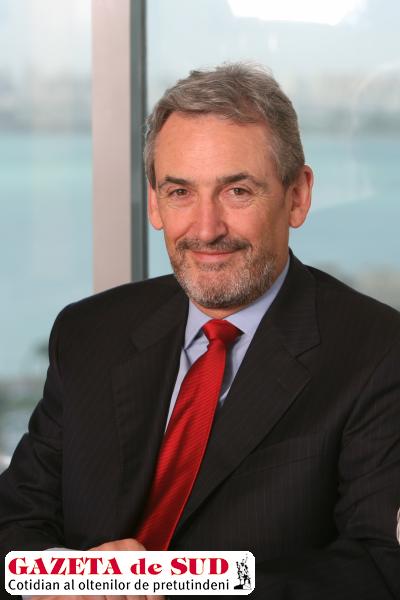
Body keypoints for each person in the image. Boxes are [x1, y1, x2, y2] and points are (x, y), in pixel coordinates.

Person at [1, 63, 399, 600]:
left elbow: (379, 567)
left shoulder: (377, 353)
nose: (206, 229)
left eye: (237, 191)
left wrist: (173, 585)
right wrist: (66, 580)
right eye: (180, 192)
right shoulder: (89, 332)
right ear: (154, 202)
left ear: (297, 196)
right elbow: (15, 523)